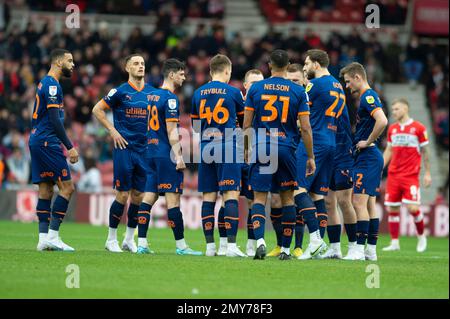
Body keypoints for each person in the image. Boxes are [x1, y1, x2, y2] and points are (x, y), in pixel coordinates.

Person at [244, 49, 315, 260]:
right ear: (288, 65)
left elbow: (246, 124)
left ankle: (260, 241)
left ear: (269, 64)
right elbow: (306, 128)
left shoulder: (256, 88)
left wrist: (247, 149)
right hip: (286, 149)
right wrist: (310, 156)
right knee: (287, 199)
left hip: (262, 147)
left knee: (259, 198)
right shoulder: (298, 91)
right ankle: (285, 249)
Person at [136, 58, 202, 256]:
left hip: (150, 152)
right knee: (173, 201)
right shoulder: (171, 99)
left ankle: (141, 243)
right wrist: (179, 156)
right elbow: (172, 130)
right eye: (181, 73)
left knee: (148, 197)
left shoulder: (152, 95)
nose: (184, 77)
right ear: (172, 75)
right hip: (166, 155)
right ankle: (181, 246)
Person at [92, 54, 154, 253]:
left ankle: (128, 239)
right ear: (127, 67)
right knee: (122, 193)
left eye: (143, 63)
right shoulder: (119, 91)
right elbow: (97, 109)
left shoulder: (151, 93)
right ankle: (111, 239)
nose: (140, 66)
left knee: (138, 195)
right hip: (124, 148)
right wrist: (113, 130)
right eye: (136, 63)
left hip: (143, 150)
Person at [191, 54, 246, 257]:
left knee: (209, 197)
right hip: (228, 145)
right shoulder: (234, 92)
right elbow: (243, 122)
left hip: (206, 146)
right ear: (226, 71)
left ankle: (210, 247)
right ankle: (231, 246)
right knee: (230, 194)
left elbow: (195, 127)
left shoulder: (198, 93)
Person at [29, 48, 78, 251]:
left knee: (46, 190)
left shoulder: (47, 83)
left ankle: (43, 240)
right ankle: (54, 236)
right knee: (67, 188)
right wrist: (70, 147)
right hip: (48, 142)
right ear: (58, 62)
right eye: (70, 60)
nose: (73, 64)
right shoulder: (51, 85)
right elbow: (54, 120)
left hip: (37, 141)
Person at [296, 49, 343, 260]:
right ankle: (317, 247)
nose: (305, 67)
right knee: (317, 195)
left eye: (306, 63)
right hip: (331, 142)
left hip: (314, 142)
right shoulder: (338, 85)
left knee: (298, 190)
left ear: (316, 64)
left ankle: (315, 240)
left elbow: (302, 114)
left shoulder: (314, 85)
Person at [340, 62, 388, 261]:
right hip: (370, 157)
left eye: (349, 82)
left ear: (358, 77)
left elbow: (383, 120)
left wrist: (368, 141)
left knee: (358, 202)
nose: (348, 86)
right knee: (369, 204)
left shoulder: (368, 96)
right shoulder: (369, 97)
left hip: (367, 156)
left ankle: (359, 249)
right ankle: (371, 250)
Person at [267, 63, 307, 258]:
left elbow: (308, 127)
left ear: (304, 81)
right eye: (289, 80)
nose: (291, 84)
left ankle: (298, 246)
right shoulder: (285, 95)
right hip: (282, 149)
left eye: (295, 80)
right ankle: (280, 244)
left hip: (298, 151)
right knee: (275, 199)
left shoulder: (304, 96)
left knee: (294, 197)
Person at [382, 98, 431, 252]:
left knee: (413, 208)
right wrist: (379, 168)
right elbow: (389, 150)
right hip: (394, 175)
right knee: (393, 209)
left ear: (405, 108)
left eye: (397, 109)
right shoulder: (392, 129)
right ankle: (395, 242)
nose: (394, 112)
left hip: (410, 176)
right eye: (393, 109)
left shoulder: (419, 128)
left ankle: (421, 236)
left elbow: (425, 151)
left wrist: (428, 173)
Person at [321, 86, 357, 259]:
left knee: (344, 201)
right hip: (327, 155)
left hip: (343, 154)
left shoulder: (334, 98)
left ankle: (354, 247)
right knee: (329, 202)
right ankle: (335, 248)